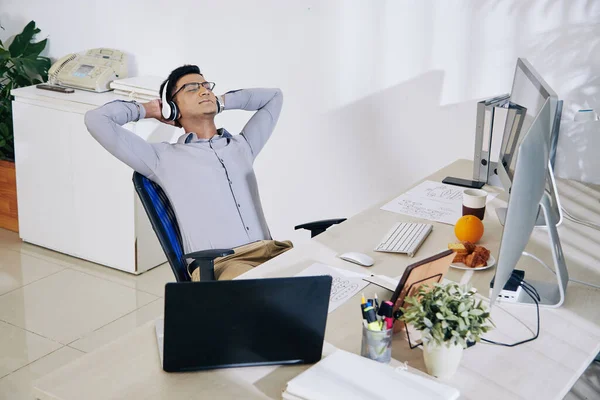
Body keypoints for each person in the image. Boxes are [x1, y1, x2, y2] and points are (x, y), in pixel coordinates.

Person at [84, 64, 292, 281]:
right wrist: (149, 109)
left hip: (271, 252)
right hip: (222, 266)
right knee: (274, 291)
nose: (204, 91)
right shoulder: (162, 158)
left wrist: (222, 101)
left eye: (206, 86)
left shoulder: (242, 146)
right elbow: (96, 120)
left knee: (322, 270)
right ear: (172, 107)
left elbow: (274, 98)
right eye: (192, 88)